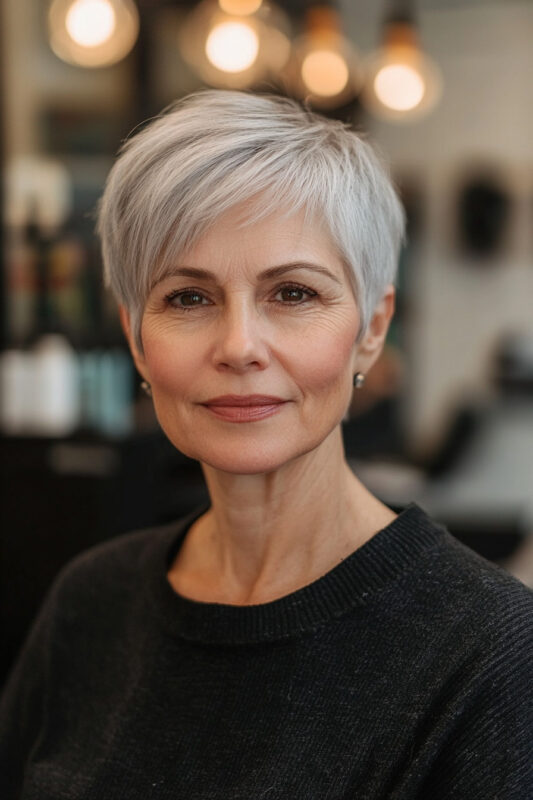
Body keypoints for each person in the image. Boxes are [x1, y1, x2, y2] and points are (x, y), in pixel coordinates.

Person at [1, 90, 531, 799]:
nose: (239, 346)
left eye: (293, 294)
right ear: (134, 335)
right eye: (188, 298)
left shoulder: (488, 655)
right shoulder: (90, 605)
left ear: (372, 328)